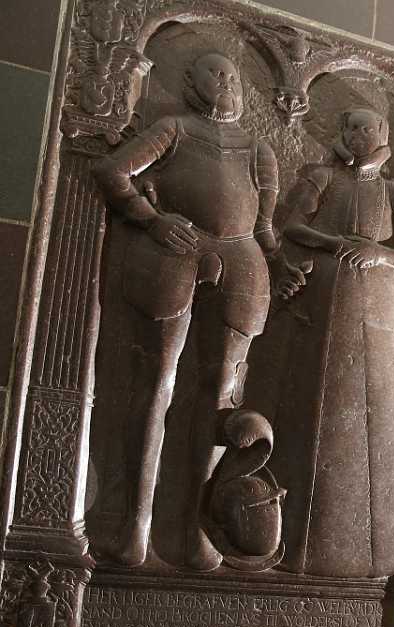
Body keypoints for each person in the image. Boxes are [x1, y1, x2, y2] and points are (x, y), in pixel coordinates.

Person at [93, 52, 306, 570]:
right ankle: (134, 527)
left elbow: (264, 228)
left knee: (219, 399)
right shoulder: (174, 129)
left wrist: (281, 264)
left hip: (242, 262)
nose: (226, 80)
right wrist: (152, 218)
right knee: (156, 384)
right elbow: (112, 170)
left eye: (232, 75)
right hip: (174, 251)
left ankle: (192, 529)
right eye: (215, 71)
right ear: (190, 80)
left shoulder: (258, 150)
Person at [282, 108, 394, 577]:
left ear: (382, 134)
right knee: (324, 398)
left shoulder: (393, 191)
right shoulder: (322, 177)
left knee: (385, 403)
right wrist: (336, 244)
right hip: (330, 294)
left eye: (367, 128)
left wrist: (378, 252)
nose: (358, 134)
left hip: (382, 305)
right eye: (351, 126)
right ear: (342, 133)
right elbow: (293, 226)